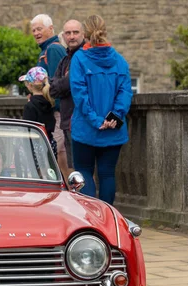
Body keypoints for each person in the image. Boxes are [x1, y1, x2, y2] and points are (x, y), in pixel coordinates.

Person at [69, 15, 133, 205]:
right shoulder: (119, 60)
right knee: (107, 174)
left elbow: (80, 95)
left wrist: (96, 120)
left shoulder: (80, 58)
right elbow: (125, 92)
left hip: (85, 129)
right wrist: (115, 116)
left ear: (85, 34)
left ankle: (90, 218)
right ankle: (107, 218)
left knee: (84, 171)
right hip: (113, 129)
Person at [30, 14, 69, 180]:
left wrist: (54, 108)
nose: (36, 33)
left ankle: (71, 191)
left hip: (58, 113)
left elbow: (58, 83)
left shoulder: (53, 49)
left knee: (59, 153)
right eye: (33, 30)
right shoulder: (47, 50)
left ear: (51, 28)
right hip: (53, 112)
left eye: (39, 29)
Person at [49, 19, 86, 172]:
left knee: (82, 170)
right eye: (68, 33)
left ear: (83, 34)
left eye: (75, 32)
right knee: (74, 168)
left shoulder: (85, 56)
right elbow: (53, 89)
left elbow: (70, 83)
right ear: (63, 36)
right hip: (68, 121)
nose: (72, 36)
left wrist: (65, 83)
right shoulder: (65, 60)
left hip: (82, 120)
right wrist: (65, 82)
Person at [18, 66, 58, 160]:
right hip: (49, 142)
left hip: (35, 145)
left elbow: (27, 129)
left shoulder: (30, 106)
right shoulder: (50, 101)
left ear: (30, 85)